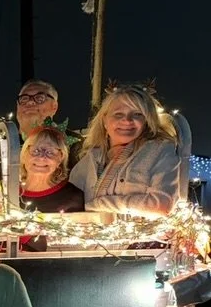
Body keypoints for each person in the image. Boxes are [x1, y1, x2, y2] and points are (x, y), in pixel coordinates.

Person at [68, 84, 181, 217]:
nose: (127, 121)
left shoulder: (159, 151)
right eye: (118, 114)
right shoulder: (90, 158)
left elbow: (161, 205)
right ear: (104, 120)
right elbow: (70, 205)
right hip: (87, 235)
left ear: (147, 120)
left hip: (141, 237)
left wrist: (99, 205)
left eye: (137, 114)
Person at [18, 123, 84, 213]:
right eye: (36, 150)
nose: (41, 157)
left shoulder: (73, 198)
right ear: (24, 154)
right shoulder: (4, 191)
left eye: (50, 152)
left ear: (61, 158)